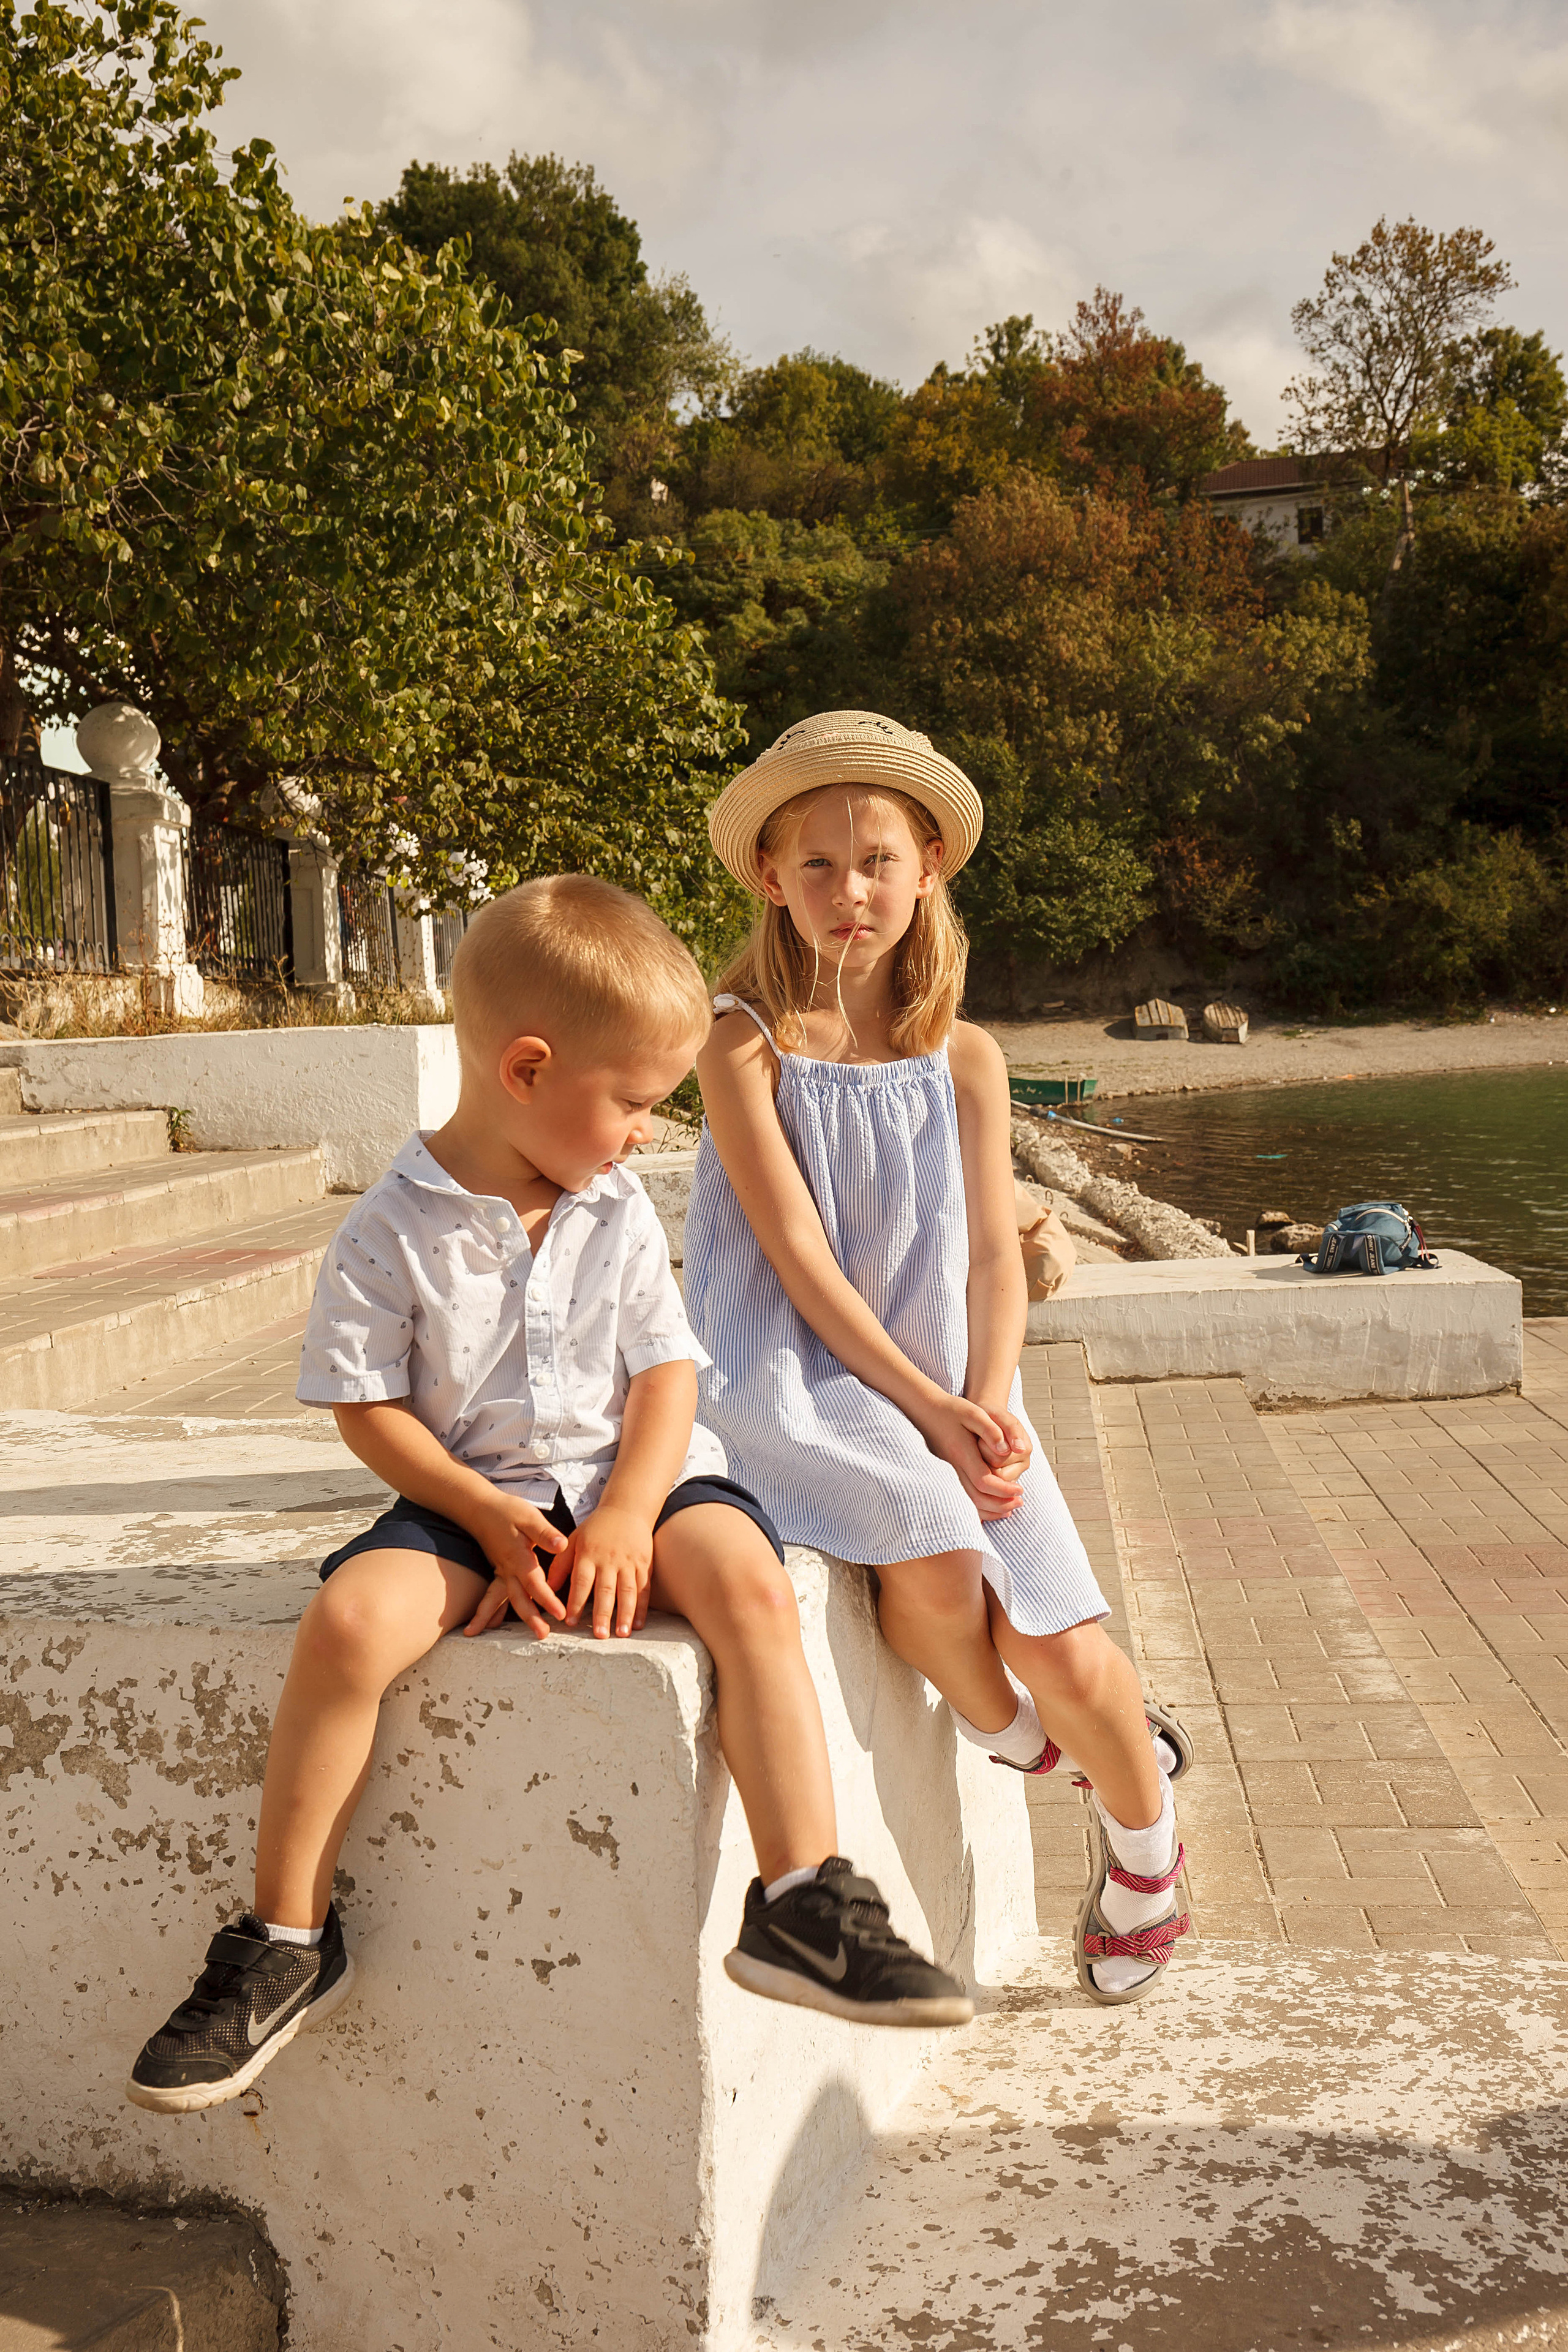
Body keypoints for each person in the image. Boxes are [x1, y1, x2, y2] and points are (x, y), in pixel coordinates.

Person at [126, 875, 971, 2116]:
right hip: (472, 1493)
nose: (642, 1133)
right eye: (631, 1103)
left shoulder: (615, 1208)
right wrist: (474, 1511)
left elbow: (667, 1376)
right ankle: (287, 1936)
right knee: (352, 1624)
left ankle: (801, 1899)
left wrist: (630, 1511)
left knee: (745, 1583)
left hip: (637, 1476)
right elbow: (367, 1410)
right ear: (526, 1068)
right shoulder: (387, 1229)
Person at [685, 712, 1194, 2006]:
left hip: (952, 1383)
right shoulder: (740, 1040)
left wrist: (982, 1395)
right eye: (816, 866)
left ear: (925, 872)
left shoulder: (964, 1055)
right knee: (926, 1549)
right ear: (768, 876)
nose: (848, 893)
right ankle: (1038, 1758)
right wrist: (922, 1407)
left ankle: (1146, 1854)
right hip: (803, 1377)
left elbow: (988, 1258)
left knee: (1067, 1643)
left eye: (875, 863)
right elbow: (796, 1256)